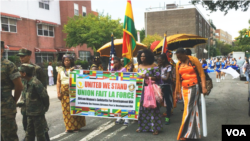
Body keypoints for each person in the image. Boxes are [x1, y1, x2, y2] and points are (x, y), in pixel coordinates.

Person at [16, 48, 50, 141]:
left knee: (41, 129)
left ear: (29, 56)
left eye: (23, 56)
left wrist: (43, 106)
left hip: (36, 106)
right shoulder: (21, 69)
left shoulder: (36, 69)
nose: (21, 58)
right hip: (25, 104)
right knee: (27, 127)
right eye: (20, 56)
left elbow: (43, 88)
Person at [175, 48, 207, 140]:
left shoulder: (193, 60)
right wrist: (177, 91)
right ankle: (193, 133)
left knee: (188, 110)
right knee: (192, 109)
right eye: (177, 57)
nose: (179, 58)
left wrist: (204, 87)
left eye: (180, 56)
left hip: (194, 87)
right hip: (184, 88)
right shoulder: (178, 64)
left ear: (185, 54)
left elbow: (202, 74)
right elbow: (178, 79)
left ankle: (183, 133)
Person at [136, 49, 162, 135]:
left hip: (150, 89)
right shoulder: (138, 66)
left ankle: (155, 128)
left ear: (148, 57)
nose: (142, 57)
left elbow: (158, 77)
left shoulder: (154, 65)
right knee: (142, 108)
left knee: (153, 107)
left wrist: (147, 77)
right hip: (141, 89)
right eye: (141, 56)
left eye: (144, 56)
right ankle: (142, 127)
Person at [56, 54, 86, 132]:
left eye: (68, 60)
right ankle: (68, 127)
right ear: (63, 61)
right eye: (65, 60)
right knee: (66, 111)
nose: (67, 62)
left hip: (74, 92)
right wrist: (58, 92)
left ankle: (76, 127)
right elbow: (58, 81)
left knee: (75, 109)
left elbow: (82, 79)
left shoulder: (76, 69)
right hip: (64, 93)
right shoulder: (61, 70)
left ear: (71, 61)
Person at [0, 41, 23, 141]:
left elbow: (19, 86)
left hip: (5, 108)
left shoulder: (8, 65)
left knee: (9, 136)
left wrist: (13, 101)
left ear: (1, 50)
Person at [111, 57, 129, 125]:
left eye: (116, 62)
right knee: (117, 104)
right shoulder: (113, 69)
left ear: (120, 62)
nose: (115, 64)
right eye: (114, 62)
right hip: (115, 89)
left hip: (122, 89)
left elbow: (125, 78)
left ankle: (126, 119)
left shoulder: (123, 69)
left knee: (123, 103)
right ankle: (119, 117)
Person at [158, 54, 173, 125]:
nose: (159, 62)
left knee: (167, 102)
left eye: (160, 60)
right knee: (158, 101)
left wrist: (159, 78)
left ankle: (168, 117)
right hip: (160, 86)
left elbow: (167, 78)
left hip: (166, 86)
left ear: (164, 60)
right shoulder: (160, 67)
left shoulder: (169, 66)